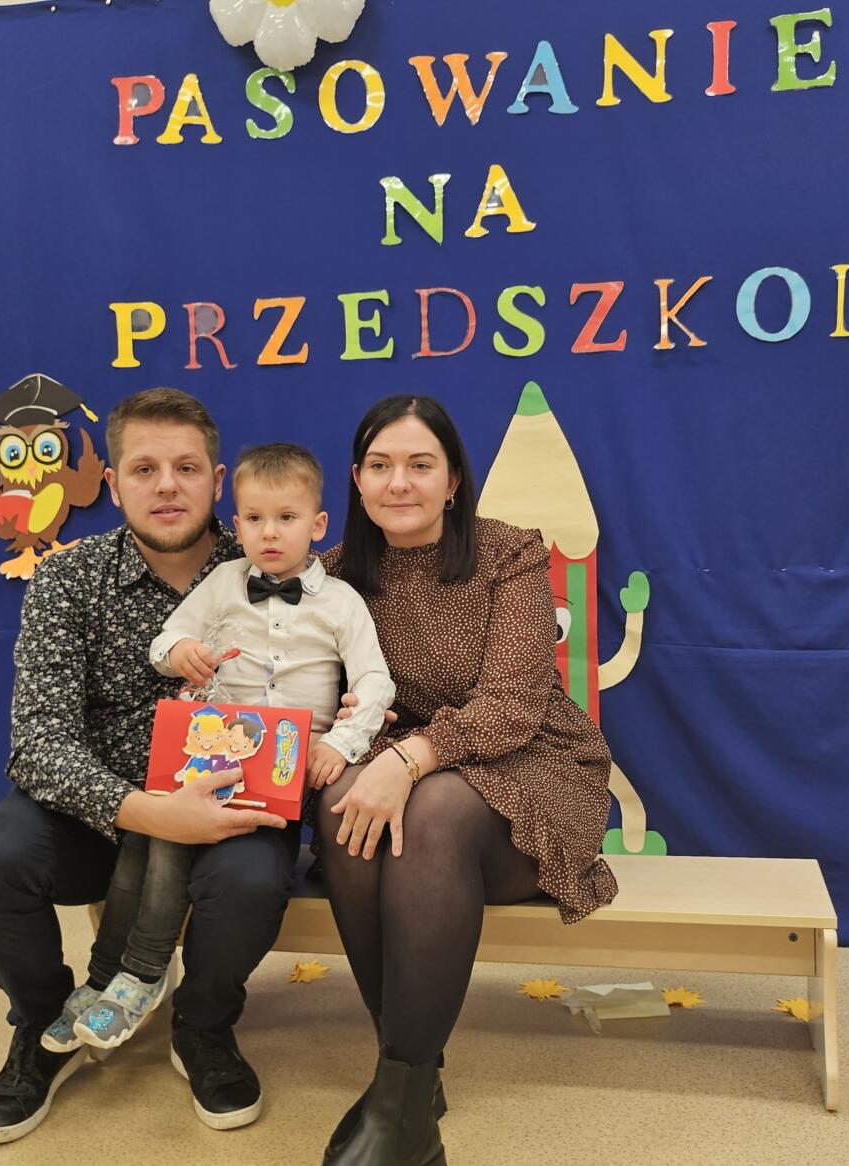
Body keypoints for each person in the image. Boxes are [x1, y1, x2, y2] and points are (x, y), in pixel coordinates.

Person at [0, 389, 291, 1145]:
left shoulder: (273, 573)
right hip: (102, 818)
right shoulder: (68, 579)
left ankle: (202, 1026)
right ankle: (43, 1023)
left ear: (218, 480)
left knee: (254, 879)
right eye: (144, 469)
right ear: (112, 482)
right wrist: (146, 811)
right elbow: (38, 740)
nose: (166, 486)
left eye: (186, 468)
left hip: (231, 813)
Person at [316, 395, 619, 1166]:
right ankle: (412, 1088)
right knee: (343, 801)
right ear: (357, 479)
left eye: (421, 465)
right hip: (406, 763)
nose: (400, 482)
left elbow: (512, 706)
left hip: (532, 763)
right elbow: (324, 696)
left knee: (433, 811)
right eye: (381, 466)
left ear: (453, 480)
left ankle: (398, 1101)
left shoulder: (508, 554)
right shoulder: (333, 578)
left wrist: (407, 759)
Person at [58, 443, 395, 1099]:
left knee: (197, 857)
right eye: (255, 519)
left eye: (286, 518)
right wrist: (183, 651)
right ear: (235, 525)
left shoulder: (341, 603)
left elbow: (376, 683)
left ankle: (145, 975)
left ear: (318, 524)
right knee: (150, 836)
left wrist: (342, 743)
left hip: (282, 771)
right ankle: (120, 976)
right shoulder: (221, 585)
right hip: (211, 752)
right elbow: (165, 642)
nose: (270, 534)